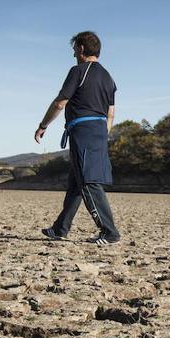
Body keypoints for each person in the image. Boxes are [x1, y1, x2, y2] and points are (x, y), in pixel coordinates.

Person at [34, 31, 121, 245]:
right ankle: (60, 229)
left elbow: (59, 103)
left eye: (74, 49)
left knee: (88, 181)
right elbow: (111, 113)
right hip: (99, 130)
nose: (73, 53)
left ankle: (109, 232)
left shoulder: (78, 71)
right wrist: (102, 134)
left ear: (81, 48)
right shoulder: (109, 77)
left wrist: (43, 125)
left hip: (84, 131)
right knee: (76, 182)